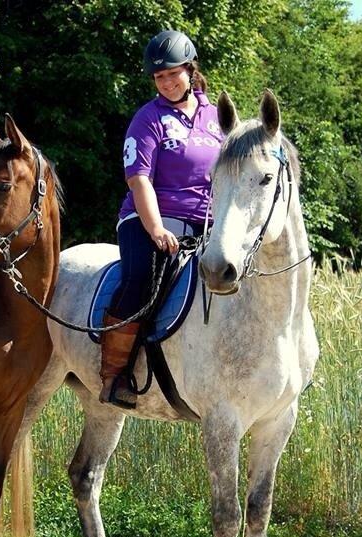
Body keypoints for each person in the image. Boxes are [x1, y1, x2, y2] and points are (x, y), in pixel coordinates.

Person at [99, 29, 224, 408]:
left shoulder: (217, 118)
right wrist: (155, 229)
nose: (167, 83)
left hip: (207, 223)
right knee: (142, 280)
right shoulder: (147, 119)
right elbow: (139, 180)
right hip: (148, 217)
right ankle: (114, 375)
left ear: (190, 69)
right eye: (159, 77)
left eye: (173, 74)